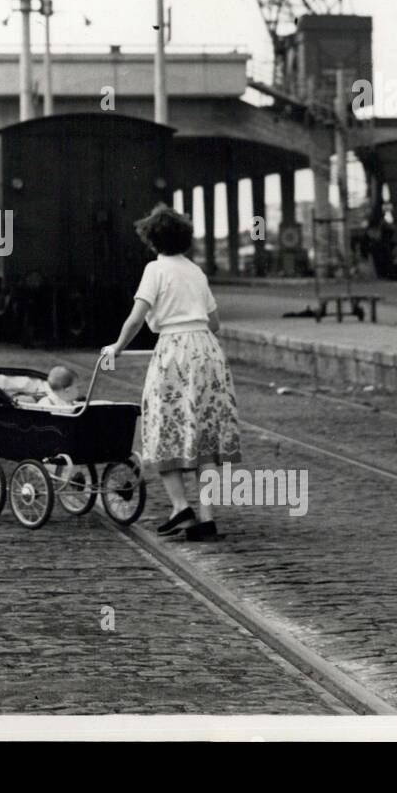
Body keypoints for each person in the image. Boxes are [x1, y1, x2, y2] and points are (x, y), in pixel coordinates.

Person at [101, 205, 242, 541]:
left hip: (174, 353)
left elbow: (136, 318)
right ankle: (207, 519)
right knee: (204, 434)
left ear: (151, 241)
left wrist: (116, 347)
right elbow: (216, 323)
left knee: (165, 427)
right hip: (208, 351)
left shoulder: (155, 270)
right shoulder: (196, 272)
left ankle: (180, 507)